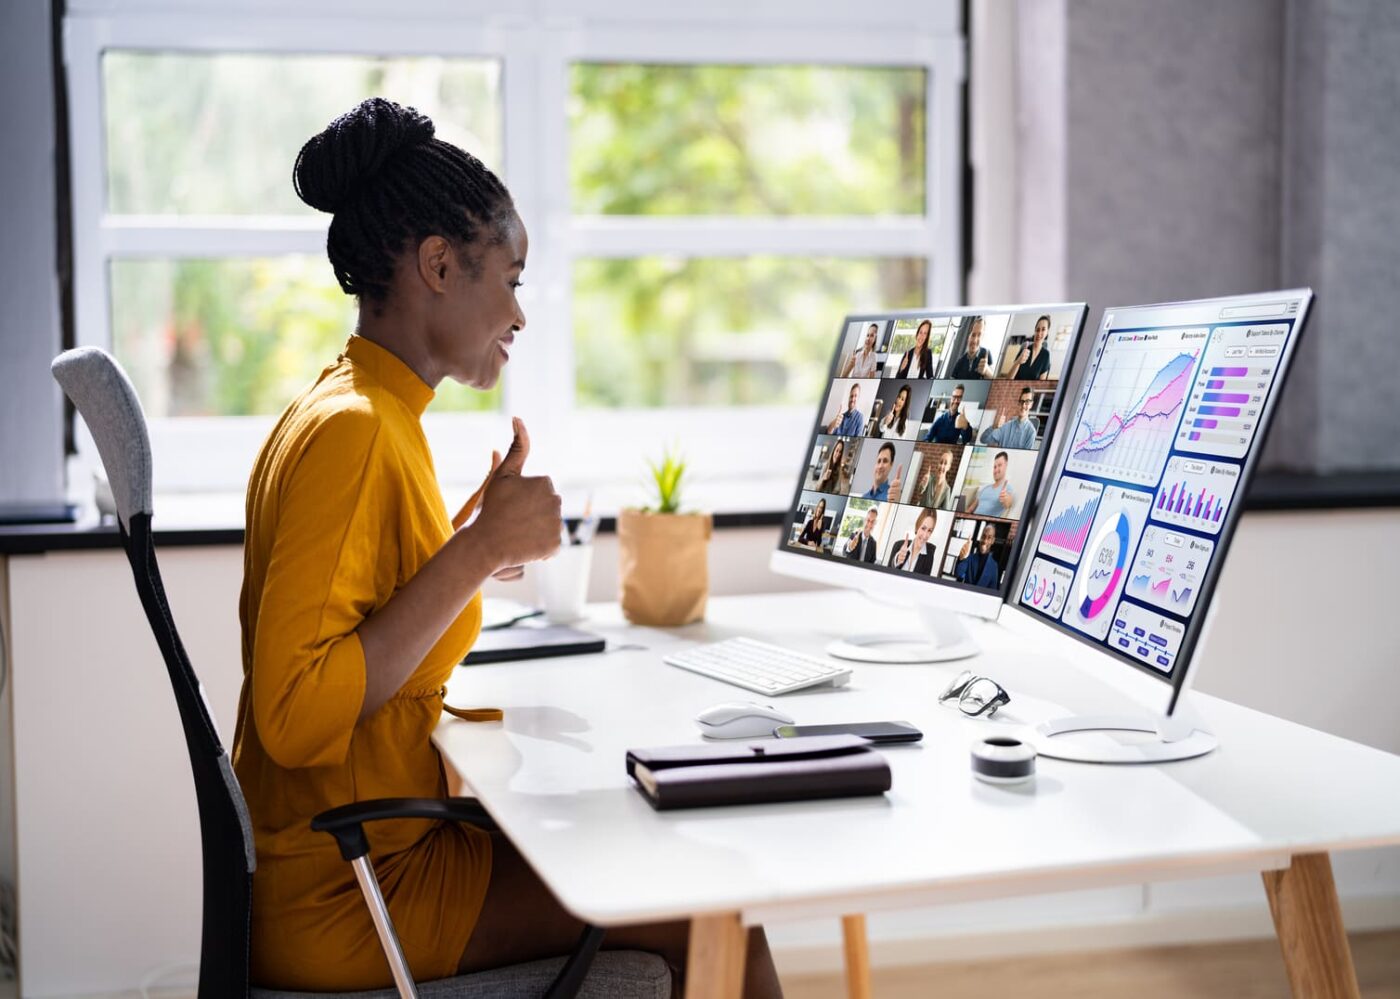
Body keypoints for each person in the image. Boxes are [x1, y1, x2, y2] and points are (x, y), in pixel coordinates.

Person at [234, 98, 781, 997]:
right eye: (513, 278)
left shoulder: (360, 409)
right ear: (440, 265)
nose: (520, 313)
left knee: (645, 846)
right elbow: (294, 716)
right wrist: (475, 550)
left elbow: (358, 619)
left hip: (364, 859)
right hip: (355, 892)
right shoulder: (357, 431)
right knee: (718, 910)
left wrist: (466, 547)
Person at [887, 508, 940, 575]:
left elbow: (924, 583)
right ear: (917, 527)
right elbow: (887, 574)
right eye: (923, 528)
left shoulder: (929, 556)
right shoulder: (898, 545)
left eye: (929, 530)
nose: (925, 536)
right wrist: (897, 560)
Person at [954, 523, 1001, 588]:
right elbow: (958, 574)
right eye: (983, 536)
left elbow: (992, 590)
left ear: (992, 541)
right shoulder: (970, 558)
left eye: (989, 538)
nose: (985, 541)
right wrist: (961, 558)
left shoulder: (994, 566)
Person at [972, 451, 1016, 517]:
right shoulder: (985, 488)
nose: (996, 470)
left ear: (1006, 465)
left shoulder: (1007, 488)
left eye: (999, 465)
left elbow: (1008, 503)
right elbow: (971, 508)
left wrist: (1005, 499)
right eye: (994, 467)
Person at [1012, 315, 1053, 380]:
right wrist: (1018, 362)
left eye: (1043, 329)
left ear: (1047, 333)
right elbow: (1009, 378)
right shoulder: (1025, 348)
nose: (1039, 333)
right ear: (1035, 331)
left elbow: (1041, 384)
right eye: (1037, 329)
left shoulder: (1046, 355)